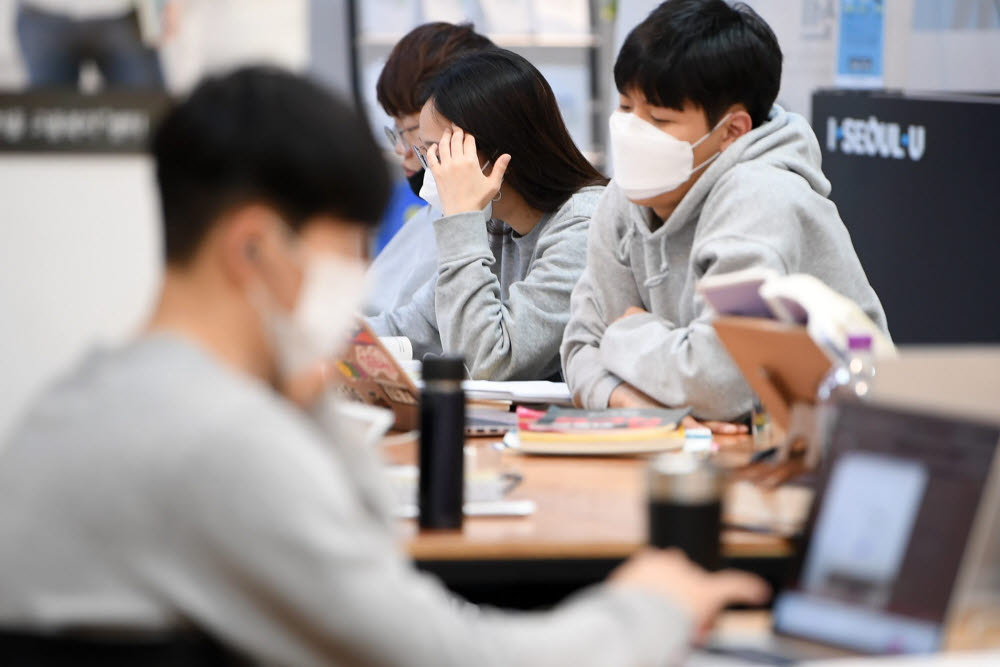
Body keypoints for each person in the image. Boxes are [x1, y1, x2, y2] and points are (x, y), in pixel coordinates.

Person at [0, 66, 768, 666]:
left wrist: (302, 400)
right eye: (346, 251)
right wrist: (647, 603)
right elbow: (449, 654)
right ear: (253, 249)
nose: (355, 279)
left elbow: (372, 573)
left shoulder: (100, 395)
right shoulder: (217, 440)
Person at [561, 0, 889, 421]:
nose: (632, 131)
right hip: (700, 444)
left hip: (838, 446)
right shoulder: (624, 196)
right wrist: (631, 401)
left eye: (659, 119)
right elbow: (579, 346)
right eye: (626, 108)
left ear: (731, 131)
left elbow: (717, 381)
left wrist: (625, 332)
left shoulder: (761, 195)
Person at [369, 48, 606, 381]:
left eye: (441, 153)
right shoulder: (495, 222)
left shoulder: (584, 226)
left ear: (497, 155)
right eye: (425, 154)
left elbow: (487, 361)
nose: (430, 169)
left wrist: (462, 221)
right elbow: (410, 328)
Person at [365, 22, 495, 317]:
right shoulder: (435, 212)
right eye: (395, 129)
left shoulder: (488, 225)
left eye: (410, 129)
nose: (402, 148)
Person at [16, 0, 170, 89]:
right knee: (47, 123)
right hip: (42, 14)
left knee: (147, 116)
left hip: (123, 14)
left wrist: (164, 4)